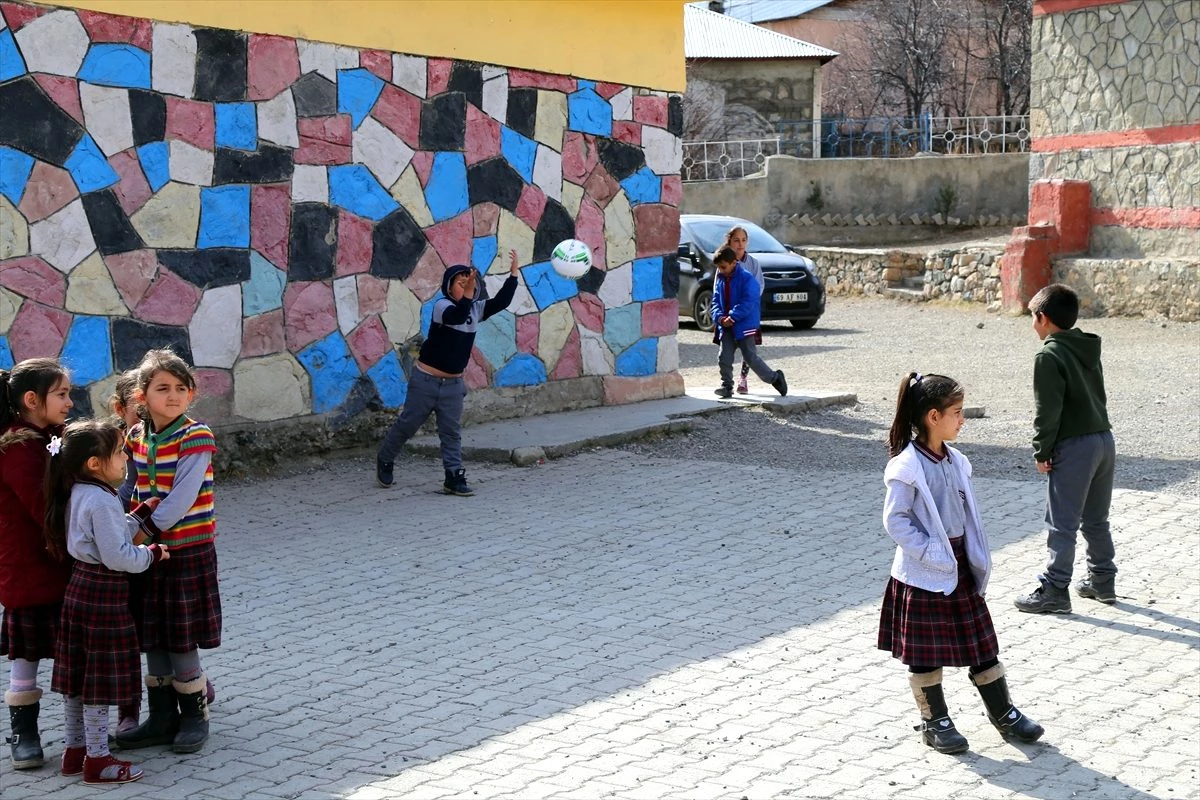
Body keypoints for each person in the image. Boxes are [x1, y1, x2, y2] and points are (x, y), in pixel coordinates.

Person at [878, 372, 1043, 754]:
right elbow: (896, 520)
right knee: (924, 654)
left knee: (982, 645)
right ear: (933, 417)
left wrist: (968, 553)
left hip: (959, 568)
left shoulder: (957, 461)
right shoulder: (906, 467)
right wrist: (930, 552)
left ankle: (1004, 713)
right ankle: (934, 721)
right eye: (956, 411)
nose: (962, 418)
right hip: (923, 574)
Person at [46, 420, 169, 784]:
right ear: (95, 462)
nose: (125, 457)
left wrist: (139, 514)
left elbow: (106, 533)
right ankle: (98, 760)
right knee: (97, 682)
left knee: (78, 677)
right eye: (118, 452)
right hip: (103, 596)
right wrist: (151, 554)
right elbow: (117, 556)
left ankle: (75, 751)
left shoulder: (82, 491)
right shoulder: (101, 499)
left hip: (79, 590)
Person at [114, 349, 220, 755]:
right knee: (152, 635)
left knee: (180, 637)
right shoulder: (136, 436)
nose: (173, 395)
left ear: (191, 394)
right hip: (148, 552)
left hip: (185, 552)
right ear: (141, 397)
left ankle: (194, 717)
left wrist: (137, 531)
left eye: (180, 388)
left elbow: (181, 498)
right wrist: (113, 520)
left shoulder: (196, 436)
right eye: (162, 388)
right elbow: (131, 486)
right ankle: (160, 718)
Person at [376, 249, 520, 496]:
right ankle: (385, 457)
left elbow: (501, 302)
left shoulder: (476, 309)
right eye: (461, 283)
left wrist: (513, 275)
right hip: (426, 381)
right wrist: (466, 296)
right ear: (448, 287)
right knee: (407, 425)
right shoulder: (442, 307)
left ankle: (453, 477)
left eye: (469, 282)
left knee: (451, 432)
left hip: (453, 385)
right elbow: (458, 315)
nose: (466, 286)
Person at [1014, 284, 1117, 614]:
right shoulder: (1086, 346)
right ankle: (1102, 582)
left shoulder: (1048, 355)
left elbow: (1048, 410)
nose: (1032, 324)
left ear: (1043, 318)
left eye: (1033, 316)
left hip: (1074, 445)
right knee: (1096, 519)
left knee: (1061, 522)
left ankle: (1055, 589)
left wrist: (1041, 450)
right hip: (1103, 439)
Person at [0, 358, 74, 770]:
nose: (69, 402)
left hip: (59, 562)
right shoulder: (18, 447)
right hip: (30, 566)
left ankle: (81, 732)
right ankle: (24, 734)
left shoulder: (48, 435)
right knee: (25, 658)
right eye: (61, 394)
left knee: (73, 650)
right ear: (32, 399)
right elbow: (44, 508)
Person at [710, 246, 786, 400]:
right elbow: (715, 301)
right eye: (719, 267)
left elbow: (748, 301)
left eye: (723, 267)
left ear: (733, 262)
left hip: (744, 326)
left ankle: (775, 378)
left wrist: (732, 316)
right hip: (726, 325)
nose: (721, 270)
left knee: (751, 358)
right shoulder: (720, 279)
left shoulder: (747, 278)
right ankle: (727, 386)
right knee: (724, 356)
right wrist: (719, 318)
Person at [722, 226, 765, 395]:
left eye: (743, 240)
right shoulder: (724, 262)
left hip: (748, 312)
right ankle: (726, 383)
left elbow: (759, 286)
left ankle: (743, 378)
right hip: (729, 312)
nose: (740, 244)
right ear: (729, 241)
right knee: (726, 350)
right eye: (736, 240)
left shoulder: (753, 264)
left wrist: (746, 304)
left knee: (749, 349)